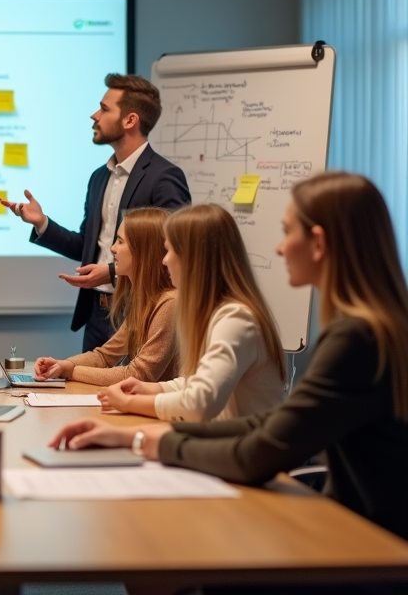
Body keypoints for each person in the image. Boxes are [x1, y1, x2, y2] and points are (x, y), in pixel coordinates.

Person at [49, 173, 408, 583]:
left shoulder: (356, 339)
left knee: (162, 556)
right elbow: (270, 424)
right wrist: (137, 437)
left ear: (320, 243)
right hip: (359, 536)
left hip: (368, 553)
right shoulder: (369, 328)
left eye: (287, 232)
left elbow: (262, 449)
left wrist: (149, 441)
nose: (278, 246)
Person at [0, 74, 191, 353]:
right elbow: (86, 245)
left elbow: (174, 251)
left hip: (140, 313)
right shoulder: (99, 178)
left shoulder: (164, 177)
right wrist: (42, 223)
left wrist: (111, 273)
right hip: (95, 314)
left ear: (130, 120)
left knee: (126, 394)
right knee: (86, 390)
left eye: (104, 108)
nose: (94, 115)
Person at [98, 203, 287, 422]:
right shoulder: (216, 311)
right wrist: (152, 390)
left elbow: (200, 401)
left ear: (194, 258)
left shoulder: (236, 319)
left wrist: (130, 403)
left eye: (170, 251)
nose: (164, 260)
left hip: (248, 451)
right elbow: (195, 382)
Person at [33, 207, 179, 385]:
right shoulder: (144, 300)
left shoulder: (169, 303)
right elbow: (105, 356)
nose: (113, 248)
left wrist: (72, 370)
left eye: (120, 241)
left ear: (143, 250)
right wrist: (63, 365)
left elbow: (139, 375)